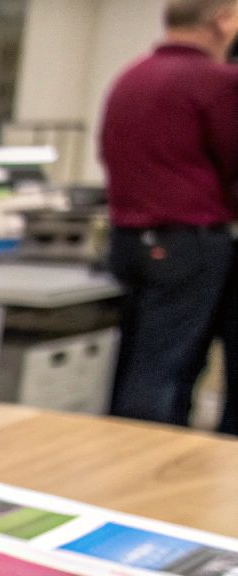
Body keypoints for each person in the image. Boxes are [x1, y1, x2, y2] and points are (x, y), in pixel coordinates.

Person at [99, 0, 238, 433]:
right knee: (166, 373)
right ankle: (149, 465)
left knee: (139, 363)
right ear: (222, 20)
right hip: (186, 243)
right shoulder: (216, 81)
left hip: (129, 240)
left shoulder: (133, 75)